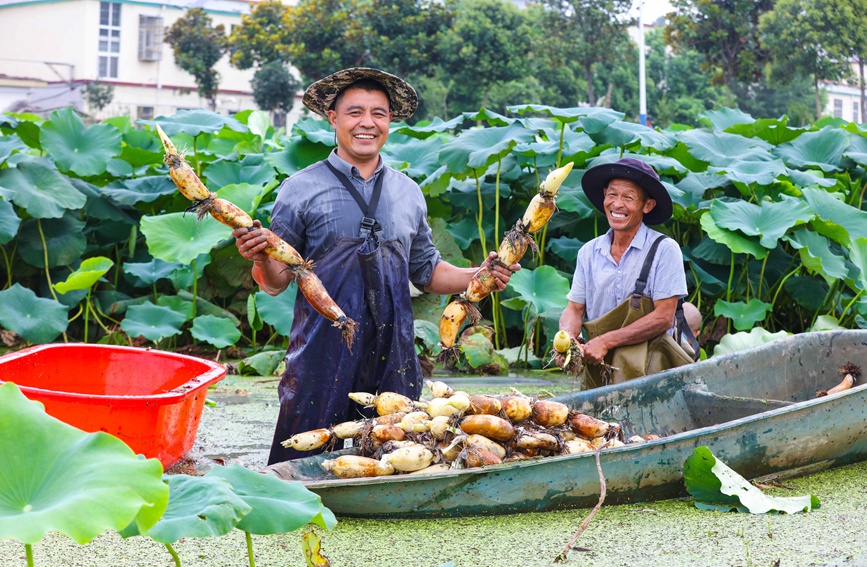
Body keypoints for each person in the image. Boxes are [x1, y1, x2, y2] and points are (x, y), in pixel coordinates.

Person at [232, 68, 518, 464]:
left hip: (394, 357)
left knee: (396, 465)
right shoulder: (300, 188)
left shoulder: (408, 192)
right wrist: (260, 255)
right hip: (320, 355)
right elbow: (276, 283)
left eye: (379, 113)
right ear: (333, 118)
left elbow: (427, 271)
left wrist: (478, 275)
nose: (367, 123)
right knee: (301, 469)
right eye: (355, 112)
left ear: (390, 122)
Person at [558, 157, 697, 387]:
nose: (617, 204)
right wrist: (568, 338)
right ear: (604, 195)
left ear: (648, 205)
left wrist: (605, 341)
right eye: (612, 194)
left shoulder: (664, 249)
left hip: (651, 368)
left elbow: (664, 317)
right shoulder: (588, 252)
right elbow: (574, 309)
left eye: (628, 197)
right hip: (598, 362)